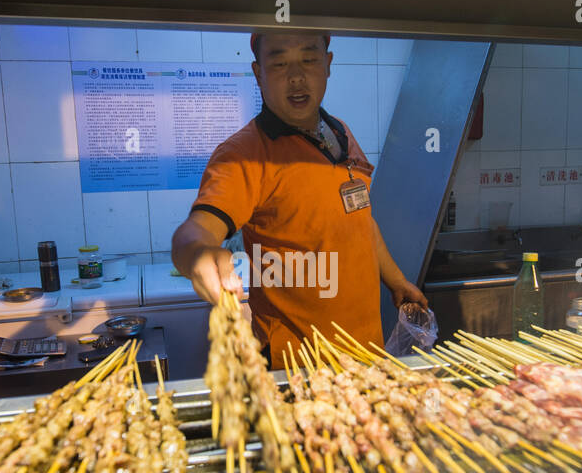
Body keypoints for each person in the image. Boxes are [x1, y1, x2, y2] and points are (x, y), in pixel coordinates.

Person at [171, 30, 427, 368]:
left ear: (328, 64)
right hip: (296, 368)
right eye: (279, 63)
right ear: (258, 73)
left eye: (309, 59)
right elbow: (196, 229)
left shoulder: (340, 133)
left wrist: (395, 280)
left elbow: (359, 218)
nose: (296, 77)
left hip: (366, 357)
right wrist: (198, 254)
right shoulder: (243, 154)